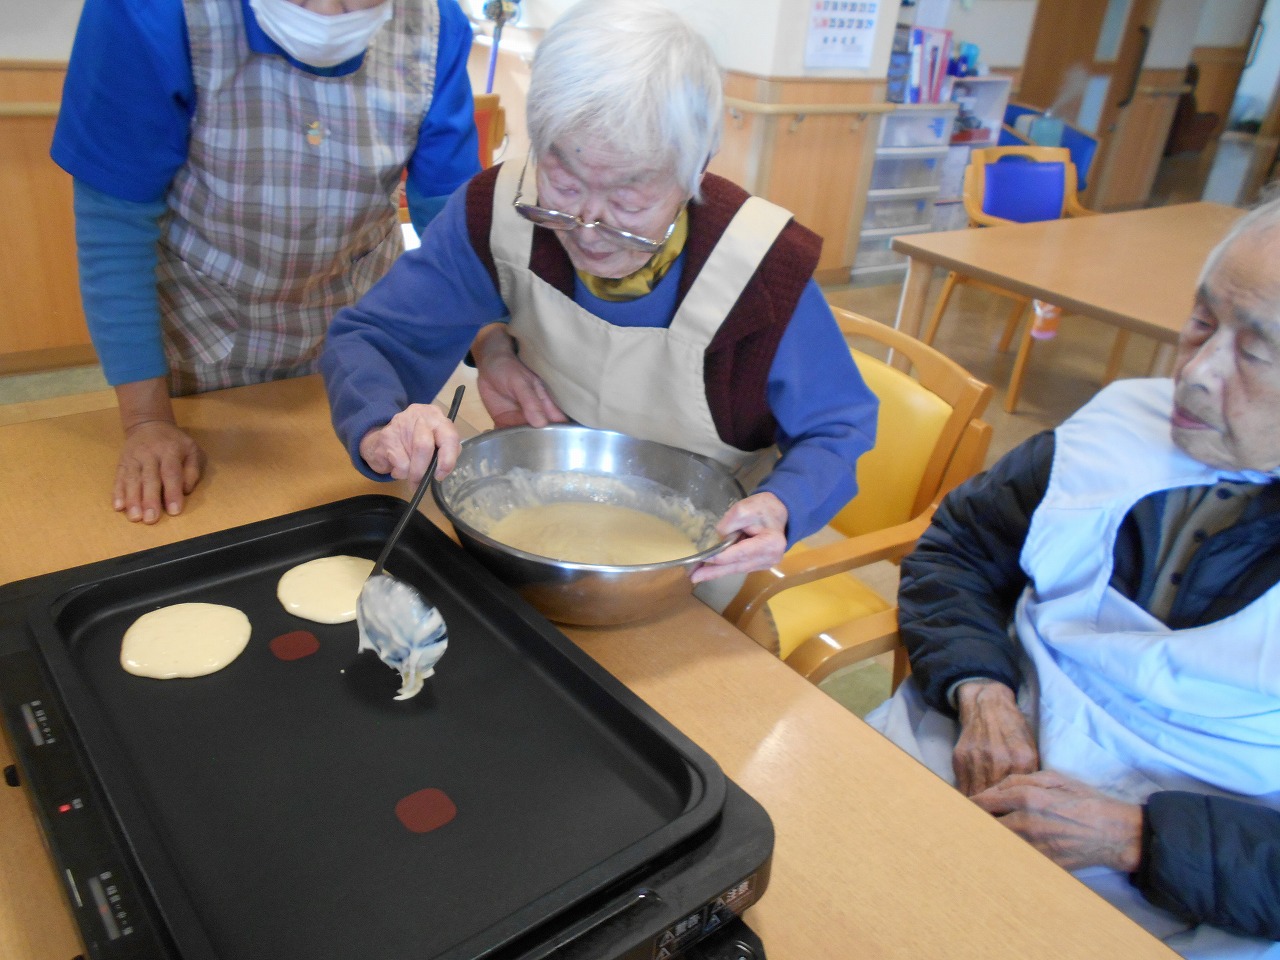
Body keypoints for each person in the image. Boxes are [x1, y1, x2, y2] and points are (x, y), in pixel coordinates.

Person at [320, 0, 878, 588]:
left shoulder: (761, 271)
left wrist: (785, 504)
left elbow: (836, 427)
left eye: (628, 202)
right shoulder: (499, 210)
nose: (587, 230)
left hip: (694, 573)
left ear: (696, 169)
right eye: (563, 183)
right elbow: (373, 336)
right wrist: (381, 425)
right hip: (529, 538)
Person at [866, 198, 1280, 958]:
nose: (1195, 372)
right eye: (1200, 321)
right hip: (973, 747)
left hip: (1180, 880)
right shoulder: (1113, 428)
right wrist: (980, 689)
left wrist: (1137, 838)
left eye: (1254, 352)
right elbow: (956, 551)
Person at [52, 0, 481, 524]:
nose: (327, 11)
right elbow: (115, 227)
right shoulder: (149, 12)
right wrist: (146, 421)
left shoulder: (436, 27)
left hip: (359, 339)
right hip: (206, 333)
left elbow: (453, 224)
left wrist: (492, 340)